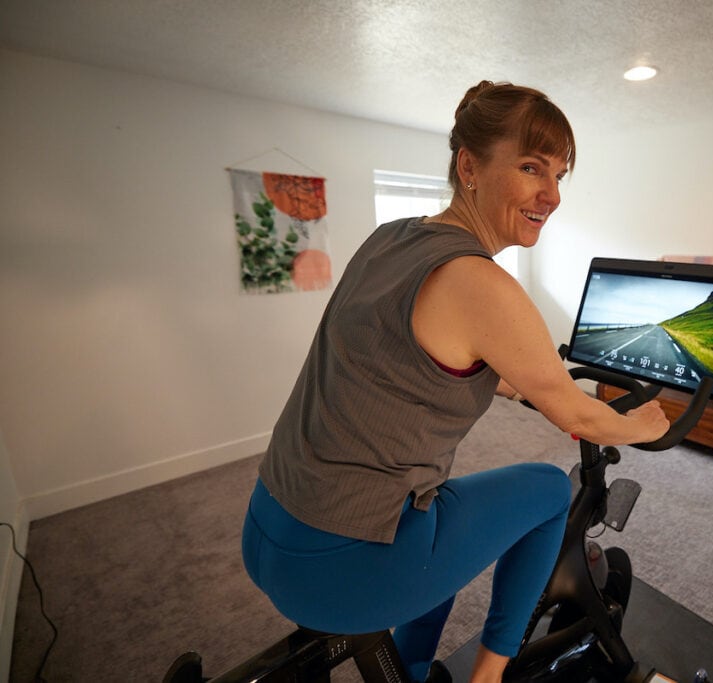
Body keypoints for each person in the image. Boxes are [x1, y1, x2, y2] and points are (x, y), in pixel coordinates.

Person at [241, 80, 669, 683]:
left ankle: (413, 671)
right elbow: (576, 417)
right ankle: (488, 676)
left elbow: (398, 353)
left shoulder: (391, 237)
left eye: (559, 175)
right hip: (336, 570)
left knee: (438, 509)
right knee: (548, 491)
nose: (550, 194)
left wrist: (516, 382)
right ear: (469, 165)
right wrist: (640, 423)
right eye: (530, 167)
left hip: (267, 527)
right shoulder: (481, 282)